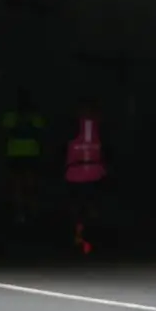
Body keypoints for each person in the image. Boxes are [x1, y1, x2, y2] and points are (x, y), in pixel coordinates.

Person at [64, 103, 109, 256]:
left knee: (90, 208)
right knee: (79, 208)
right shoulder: (72, 128)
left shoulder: (100, 129)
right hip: (77, 174)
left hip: (93, 174)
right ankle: (80, 238)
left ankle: (90, 238)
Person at [2, 88, 45, 227]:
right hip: (31, 155)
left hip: (15, 154)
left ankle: (20, 214)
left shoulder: (11, 117)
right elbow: (41, 135)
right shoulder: (35, 118)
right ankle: (32, 213)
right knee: (30, 186)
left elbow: (5, 135)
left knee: (18, 185)